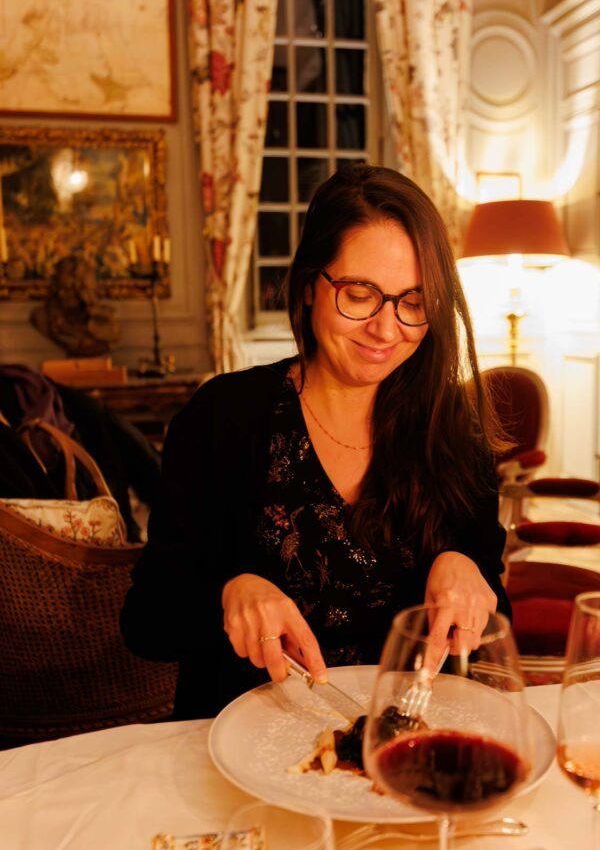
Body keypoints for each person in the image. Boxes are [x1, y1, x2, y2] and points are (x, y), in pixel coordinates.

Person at [120, 164, 510, 718]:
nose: (386, 328)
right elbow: (147, 622)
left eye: (414, 302)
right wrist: (230, 592)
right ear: (308, 287)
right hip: (245, 745)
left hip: (407, 741)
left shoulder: (453, 429)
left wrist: (466, 566)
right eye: (359, 294)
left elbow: (495, 614)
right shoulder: (224, 417)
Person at [30, 254, 120, 356]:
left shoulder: (106, 321)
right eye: (58, 288)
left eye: (67, 290)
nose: (60, 294)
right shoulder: (42, 317)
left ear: (83, 291)